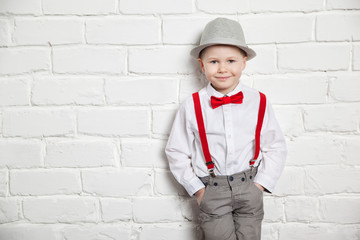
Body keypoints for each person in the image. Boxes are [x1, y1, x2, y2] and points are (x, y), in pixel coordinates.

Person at [165, 17, 287, 240]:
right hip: (212, 190)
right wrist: (198, 190)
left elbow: (275, 145)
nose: (222, 68)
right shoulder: (192, 105)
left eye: (231, 61)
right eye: (213, 62)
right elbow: (176, 151)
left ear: (244, 62)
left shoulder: (258, 101)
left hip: (249, 186)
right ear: (201, 65)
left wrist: (260, 185)